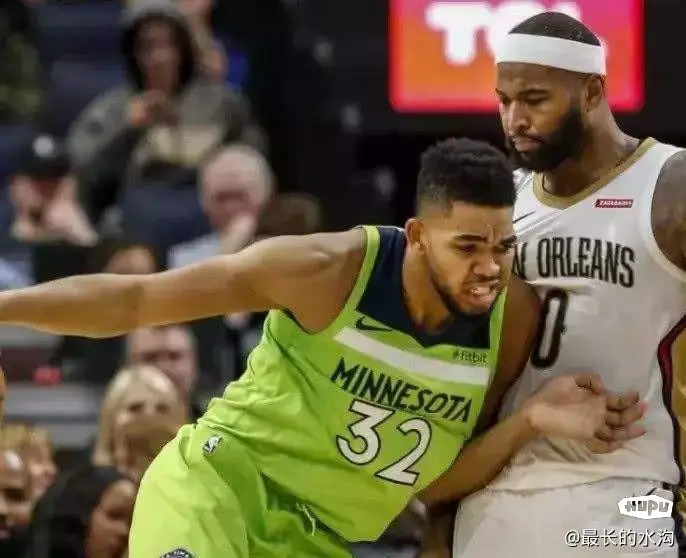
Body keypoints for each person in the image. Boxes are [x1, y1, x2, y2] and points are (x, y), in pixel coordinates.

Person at [0, 138, 643, 557]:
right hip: (219, 492)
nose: (489, 269)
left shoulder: (511, 319)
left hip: (321, 539)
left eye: (502, 247)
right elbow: (136, 301)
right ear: (418, 235)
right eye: (467, 247)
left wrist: (530, 421)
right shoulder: (328, 272)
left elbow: (434, 481)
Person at [446, 12, 685, 558]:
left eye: (534, 99)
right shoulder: (499, 205)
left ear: (592, 92)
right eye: (504, 101)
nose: (515, 120)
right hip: (492, 499)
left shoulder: (670, 186)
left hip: (623, 495)